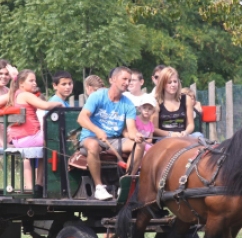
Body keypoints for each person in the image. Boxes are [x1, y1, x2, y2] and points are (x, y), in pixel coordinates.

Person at [77, 66, 145, 201]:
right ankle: (99, 188)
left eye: (129, 80)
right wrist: (97, 130)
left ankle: (125, 185)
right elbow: (81, 118)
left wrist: (136, 135)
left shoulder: (128, 104)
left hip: (114, 140)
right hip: (91, 137)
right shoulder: (97, 96)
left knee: (139, 145)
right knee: (93, 146)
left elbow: (131, 130)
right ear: (112, 79)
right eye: (124, 79)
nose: (127, 82)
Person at [6, 69, 63, 193]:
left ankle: (35, 184)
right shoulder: (26, 95)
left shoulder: (16, 94)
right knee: (55, 139)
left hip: (19, 140)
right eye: (31, 80)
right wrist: (58, 104)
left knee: (44, 148)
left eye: (35, 80)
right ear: (21, 83)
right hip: (30, 137)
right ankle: (42, 182)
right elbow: (45, 106)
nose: (34, 83)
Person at [152, 66, 198, 138]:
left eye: (175, 81)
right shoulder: (156, 102)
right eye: (169, 82)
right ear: (163, 84)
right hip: (164, 139)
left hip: (183, 136)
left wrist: (186, 132)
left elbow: (191, 124)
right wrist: (170, 134)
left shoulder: (186, 99)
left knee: (199, 136)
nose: (173, 85)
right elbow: (154, 129)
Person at [0, 60, 18, 147]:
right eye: (1, 73)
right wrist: (15, 78)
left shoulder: (6, 90)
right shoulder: (9, 93)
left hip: (6, 134)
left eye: (7, 74)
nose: (3, 76)